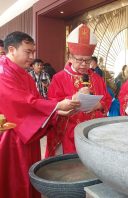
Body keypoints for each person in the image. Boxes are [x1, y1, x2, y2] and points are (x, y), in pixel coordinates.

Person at [0, 31, 80, 198]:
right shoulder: (2, 73)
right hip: (10, 136)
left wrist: (58, 111)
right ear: (12, 50)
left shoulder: (23, 73)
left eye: (33, 52)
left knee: (26, 173)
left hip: (26, 133)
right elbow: (21, 103)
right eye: (27, 52)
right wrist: (56, 105)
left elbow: (34, 102)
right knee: (13, 178)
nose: (32, 57)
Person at [46, 24, 112, 156]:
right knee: (70, 168)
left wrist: (98, 105)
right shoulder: (59, 78)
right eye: (80, 60)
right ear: (70, 57)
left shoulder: (97, 78)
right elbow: (52, 104)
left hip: (93, 131)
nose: (84, 64)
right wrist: (73, 99)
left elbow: (107, 99)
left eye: (87, 61)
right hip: (68, 131)